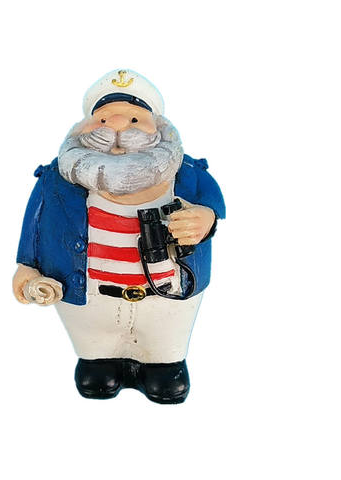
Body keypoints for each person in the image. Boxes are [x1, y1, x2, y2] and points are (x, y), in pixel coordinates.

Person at [13, 69, 225, 404]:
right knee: (95, 351)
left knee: (164, 347)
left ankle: (163, 364)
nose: (116, 127)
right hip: (89, 296)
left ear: (160, 127)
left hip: (166, 297)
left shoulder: (187, 174)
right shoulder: (57, 177)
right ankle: (98, 361)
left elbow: (213, 206)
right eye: (102, 119)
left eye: (134, 119)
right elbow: (34, 223)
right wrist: (26, 265)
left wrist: (205, 219)